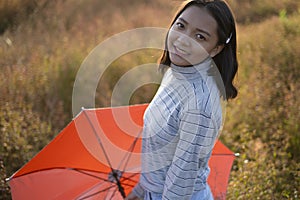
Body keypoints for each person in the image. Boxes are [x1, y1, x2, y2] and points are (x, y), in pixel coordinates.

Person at [125, 0, 238, 199]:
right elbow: (160, 153)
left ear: (216, 49)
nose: (183, 40)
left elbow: (180, 184)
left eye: (200, 36)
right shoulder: (179, 71)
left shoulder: (199, 106)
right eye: (181, 26)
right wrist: (141, 191)